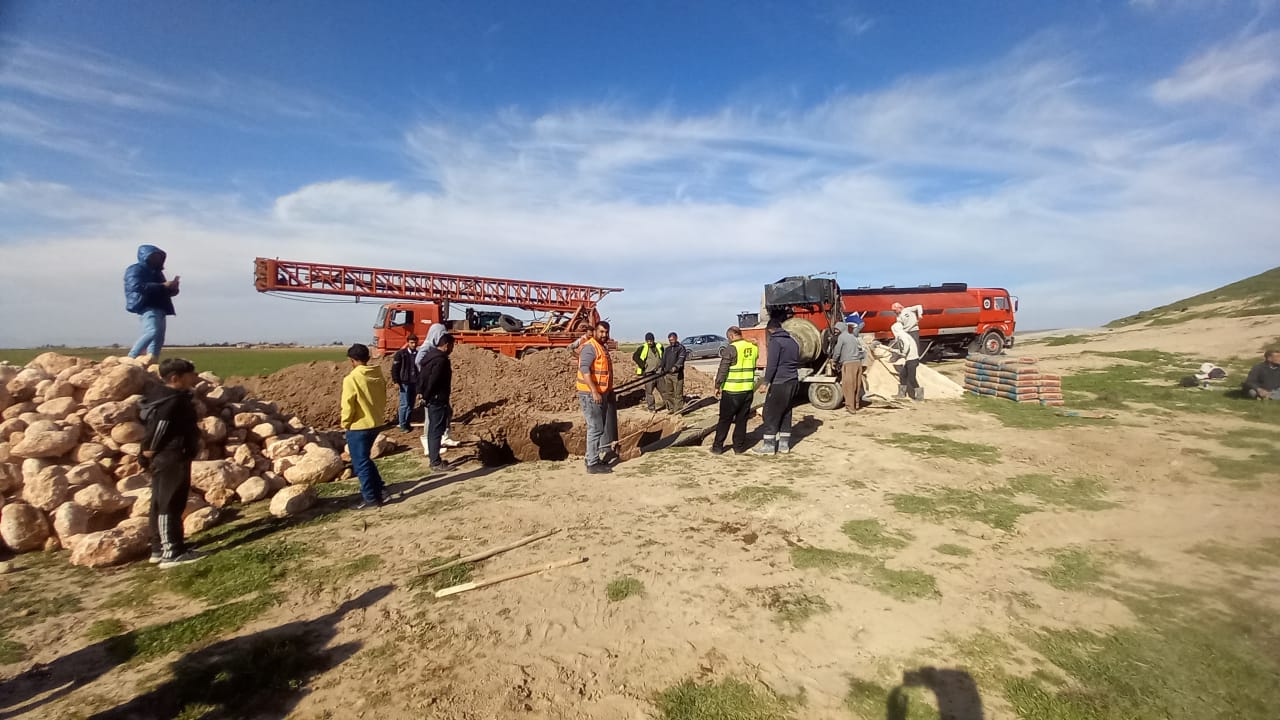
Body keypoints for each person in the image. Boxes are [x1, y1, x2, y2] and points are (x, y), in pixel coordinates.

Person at [140, 357, 202, 568]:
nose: (194, 377)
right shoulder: (173, 400)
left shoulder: (161, 396)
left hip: (167, 456)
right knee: (170, 502)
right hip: (171, 456)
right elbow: (160, 428)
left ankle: (159, 548)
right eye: (190, 374)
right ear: (176, 378)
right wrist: (148, 452)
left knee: (160, 500)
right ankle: (171, 552)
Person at [341, 343, 388, 508]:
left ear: (352, 360)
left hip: (358, 426)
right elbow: (383, 397)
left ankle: (370, 498)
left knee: (360, 463)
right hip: (376, 422)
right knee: (365, 459)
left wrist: (345, 423)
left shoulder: (351, 379)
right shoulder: (377, 374)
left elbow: (348, 405)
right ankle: (381, 489)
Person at [752, 319, 801, 455]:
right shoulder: (793, 341)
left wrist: (766, 382)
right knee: (786, 412)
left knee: (770, 413)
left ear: (770, 330)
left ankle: (768, 446)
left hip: (780, 382)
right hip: (793, 381)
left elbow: (772, 364)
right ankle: (784, 445)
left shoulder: (775, 342)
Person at [124, 245, 180, 361]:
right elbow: (136, 286)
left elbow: (162, 290)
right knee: (152, 331)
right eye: (154, 256)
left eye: (159, 257)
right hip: (147, 306)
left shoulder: (158, 273)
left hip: (160, 308)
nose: (157, 259)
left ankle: (151, 360)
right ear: (145, 257)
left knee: (158, 338)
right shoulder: (135, 269)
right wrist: (162, 286)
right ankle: (132, 357)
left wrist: (172, 289)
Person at [710, 326, 758, 455]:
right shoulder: (753, 347)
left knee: (724, 420)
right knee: (742, 420)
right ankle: (738, 447)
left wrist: (717, 386)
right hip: (747, 390)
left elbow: (723, 369)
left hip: (732, 391)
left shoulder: (731, 349)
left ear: (731, 336)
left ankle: (718, 447)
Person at [577, 321, 615, 474]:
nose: (604, 335)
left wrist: (608, 390)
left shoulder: (602, 348)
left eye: (606, 332)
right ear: (595, 332)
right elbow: (584, 369)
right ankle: (592, 463)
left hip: (601, 393)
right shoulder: (590, 347)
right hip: (590, 394)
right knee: (596, 428)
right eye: (601, 332)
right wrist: (594, 391)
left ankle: (592, 457)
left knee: (599, 427)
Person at [415, 320, 459, 451]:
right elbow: (420, 364)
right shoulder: (427, 348)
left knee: (445, 413)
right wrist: (425, 386)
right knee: (431, 418)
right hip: (433, 391)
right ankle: (429, 445)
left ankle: (443, 437)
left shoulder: (435, 349)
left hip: (440, 391)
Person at [419, 333, 456, 471]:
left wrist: (422, 393)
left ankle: (434, 459)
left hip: (431, 398)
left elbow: (422, 377)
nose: (452, 349)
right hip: (437, 399)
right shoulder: (441, 360)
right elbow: (434, 380)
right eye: (452, 346)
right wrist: (428, 396)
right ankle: (435, 462)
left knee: (434, 429)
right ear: (446, 345)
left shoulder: (429, 357)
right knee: (436, 429)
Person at [832, 318, 867, 413]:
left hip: (849, 364)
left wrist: (834, 361)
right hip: (858, 363)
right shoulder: (852, 337)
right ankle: (856, 404)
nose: (835, 331)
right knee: (856, 385)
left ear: (841, 329)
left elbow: (837, 351)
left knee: (848, 386)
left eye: (837, 329)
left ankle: (850, 407)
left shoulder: (841, 337)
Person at [391, 335, 420, 432]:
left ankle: (407, 423)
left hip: (414, 382)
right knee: (404, 404)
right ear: (408, 342)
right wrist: (396, 381)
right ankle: (402, 424)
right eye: (412, 342)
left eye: (415, 342)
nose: (414, 344)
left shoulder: (418, 354)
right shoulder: (401, 354)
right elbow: (395, 369)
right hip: (404, 382)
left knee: (411, 404)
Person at [633, 332, 665, 411]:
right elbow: (635, 356)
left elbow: (664, 356)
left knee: (664, 391)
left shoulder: (659, 346)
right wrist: (643, 365)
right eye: (648, 341)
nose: (649, 342)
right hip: (648, 374)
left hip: (658, 373)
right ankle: (651, 408)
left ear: (653, 340)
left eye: (651, 341)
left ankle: (669, 406)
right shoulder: (643, 348)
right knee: (649, 392)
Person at [891, 321, 922, 401]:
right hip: (909, 360)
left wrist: (904, 353)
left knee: (912, 378)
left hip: (912, 360)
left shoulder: (902, 335)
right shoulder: (903, 335)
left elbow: (906, 344)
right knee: (902, 375)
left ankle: (920, 396)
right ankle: (901, 394)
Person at [660, 332, 690, 413]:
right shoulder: (667, 349)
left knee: (678, 393)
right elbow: (663, 360)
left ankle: (678, 410)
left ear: (676, 338)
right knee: (669, 392)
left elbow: (681, 359)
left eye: (672, 340)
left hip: (677, 375)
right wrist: (661, 368)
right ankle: (671, 408)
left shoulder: (681, 348)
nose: (671, 342)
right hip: (667, 374)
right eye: (670, 340)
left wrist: (675, 367)